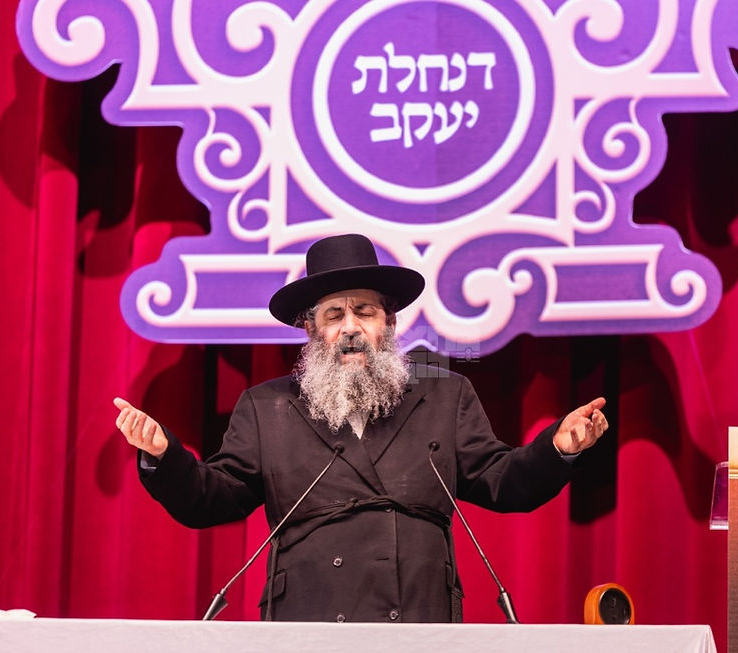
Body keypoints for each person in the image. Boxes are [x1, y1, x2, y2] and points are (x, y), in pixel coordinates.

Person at [114, 233, 609, 623]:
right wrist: (164, 457)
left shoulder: (445, 395)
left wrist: (557, 448)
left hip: (418, 619)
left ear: (388, 324)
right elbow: (214, 498)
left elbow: (503, 481)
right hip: (307, 622)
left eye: (364, 312)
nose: (350, 327)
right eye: (334, 315)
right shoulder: (266, 407)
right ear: (312, 330)